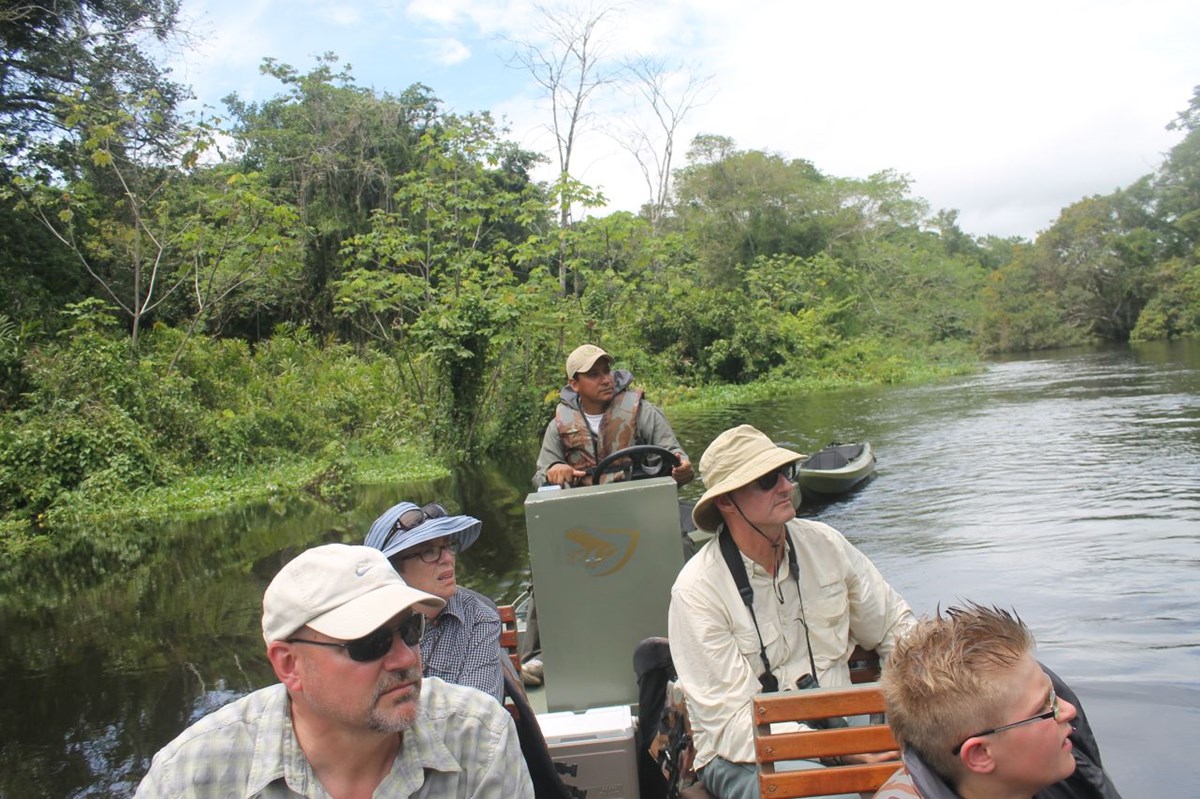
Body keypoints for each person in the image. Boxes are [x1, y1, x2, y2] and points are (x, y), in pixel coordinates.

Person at [135, 543, 534, 798]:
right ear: (289, 665)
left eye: (410, 630)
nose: (406, 659)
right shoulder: (189, 779)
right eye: (368, 644)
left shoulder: (480, 739)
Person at [667, 424, 916, 799]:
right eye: (767, 480)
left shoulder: (825, 545)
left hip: (845, 728)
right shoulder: (696, 591)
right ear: (726, 502)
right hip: (744, 754)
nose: (786, 486)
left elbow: (895, 627)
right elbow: (733, 726)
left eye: (787, 473)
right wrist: (843, 751)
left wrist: (918, 706)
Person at [874, 602, 1124, 799]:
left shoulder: (1058, 779)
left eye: (1054, 694)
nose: (1069, 710)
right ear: (981, 754)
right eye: (1044, 708)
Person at [364, 500, 505, 703]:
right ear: (392, 569)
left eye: (448, 546)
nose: (447, 558)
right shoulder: (362, 627)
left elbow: (478, 714)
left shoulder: (478, 619)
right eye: (429, 551)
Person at [532, 343, 693, 488]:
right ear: (574, 384)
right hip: (586, 513)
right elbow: (540, 477)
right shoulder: (558, 427)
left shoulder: (644, 413)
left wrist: (682, 469)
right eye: (594, 375)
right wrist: (553, 470)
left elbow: (677, 458)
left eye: (607, 371)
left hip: (641, 506)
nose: (606, 380)